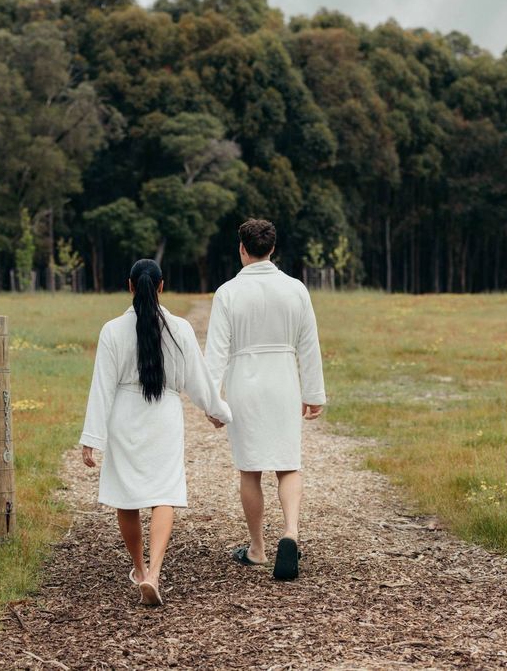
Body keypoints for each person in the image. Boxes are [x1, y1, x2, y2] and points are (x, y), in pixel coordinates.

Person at [80, 258, 233, 606]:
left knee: (126, 495)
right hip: (164, 416)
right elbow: (199, 380)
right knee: (163, 493)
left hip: (124, 416)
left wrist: (92, 438)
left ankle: (138, 567)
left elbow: (101, 387)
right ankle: (154, 573)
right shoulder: (179, 329)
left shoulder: (112, 330)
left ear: (130, 286)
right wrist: (217, 411)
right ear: (161, 286)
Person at [204, 218, 326, 581]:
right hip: (284, 383)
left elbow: (216, 353)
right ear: (272, 248)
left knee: (251, 468)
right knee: (289, 464)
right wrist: (313, 393)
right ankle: (290, 532)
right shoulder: (296, 289)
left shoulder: (227, 292)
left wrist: (212, 401)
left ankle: (257, 548)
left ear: (242, 248)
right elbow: (309, 344)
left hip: (245, 385)